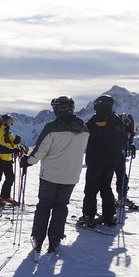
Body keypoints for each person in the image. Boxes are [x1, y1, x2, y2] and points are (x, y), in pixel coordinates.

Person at [21, 96, 89, 254]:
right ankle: (55, 238)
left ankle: (38, 237)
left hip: (50, 176)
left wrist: (28, 162)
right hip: (71, 176)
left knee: (44, 206)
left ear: (58, 109)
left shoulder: (52, 127)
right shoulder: (84, 128)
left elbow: (40, 151)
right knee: (61, 207)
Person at [79, 94, 127, 228]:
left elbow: (84, 137)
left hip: (95, 160)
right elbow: (123, 142)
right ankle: (109, 215)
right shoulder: (117, 120)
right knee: (106, 187)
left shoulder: (95, 120)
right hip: (112, 161)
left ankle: (88, 216)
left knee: (91, 189)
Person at [0, 114, 24, 206]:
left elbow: (11, 144)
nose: (10, 124)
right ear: (4, 121)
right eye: (9, 122)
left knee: (10, 178)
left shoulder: (7, 132)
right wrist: (3, 128)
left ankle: (4, 197)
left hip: (8, 158)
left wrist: (17, 142)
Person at [114, 113, 138, 211]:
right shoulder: (122, 129)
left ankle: (121, 197)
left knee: (122, 177)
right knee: (121, 177)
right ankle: (120, 197)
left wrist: (129, 145)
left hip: (117, 156)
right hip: (113, 155)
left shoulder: (122, 128)